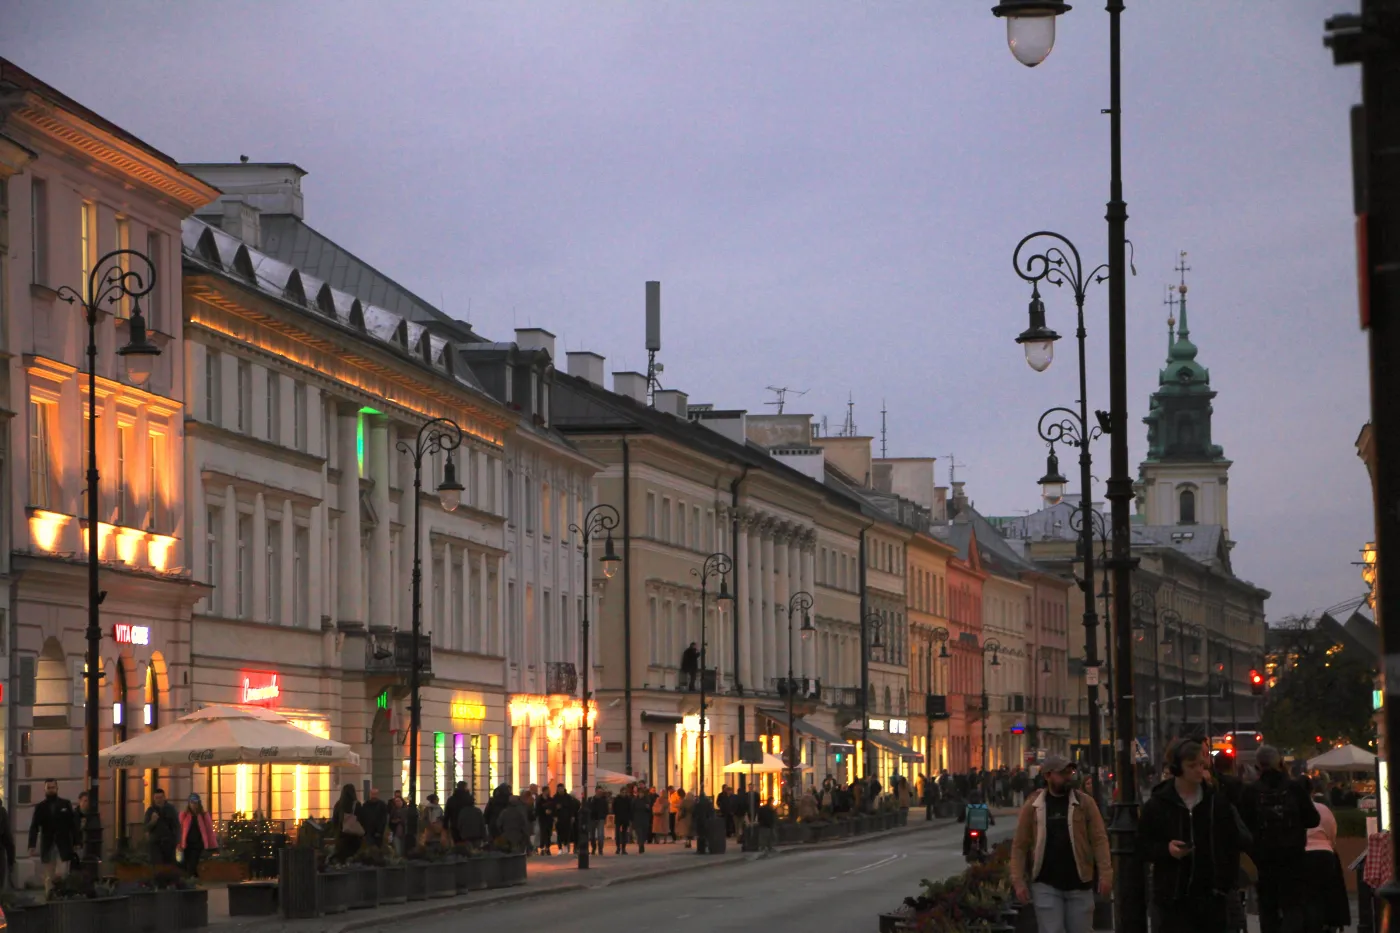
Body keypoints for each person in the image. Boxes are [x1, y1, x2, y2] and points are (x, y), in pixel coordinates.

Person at [1139, 737, 1248, 933]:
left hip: (1211, 897)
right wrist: (1166, 850)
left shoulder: (1216, 802)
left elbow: (1232, 842)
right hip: (1172, 898)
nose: (1199, 770)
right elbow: (1142, 845)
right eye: (1192, 766)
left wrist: (1225, 884)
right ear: (1176, 768)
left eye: (1201, 764)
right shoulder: (1158, 805)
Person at [1008, 755, 1112, 933]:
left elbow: (1099, 840)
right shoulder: (1033, 805)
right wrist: (1018, 881)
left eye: (1070, 772)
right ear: (1048, 776)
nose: (1068, 776)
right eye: (1062, 773)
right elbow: (1020, 845)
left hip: (1080, 882)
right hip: (1046, 883)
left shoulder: (1085, 803)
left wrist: (1105, 874)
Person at [1239, 745, 1320, 933]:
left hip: (1263, 860)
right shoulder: (1295, 788)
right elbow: (1313, 819)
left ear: (1258, 766)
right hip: (1293, 857)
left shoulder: (1251, 792)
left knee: (1268, 907)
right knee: (1293, 905)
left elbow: (1243, 826)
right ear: (1280, 763)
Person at [1303, 779, 1351, 933]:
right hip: (1325, 854)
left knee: (1308, 895)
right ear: (1312, 792)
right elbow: (1332, 832)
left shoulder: (1293, 808)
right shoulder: (1323, 809)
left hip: (1302, 855)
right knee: (1327, 892)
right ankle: (1329, 922)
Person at [27, 780, 76, 880]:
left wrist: (76, 841)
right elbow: (34, 826)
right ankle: (50, 894)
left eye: (53, 787)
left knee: (61, 873)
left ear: (57, 788)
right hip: (48, 845)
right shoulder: (40, 807)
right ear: (44, 789)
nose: (51, 790)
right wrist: (32, 844)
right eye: (48, 788)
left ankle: (61, 894)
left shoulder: (65, 804)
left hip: (63, 844)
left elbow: (73, 824)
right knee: (49, 876)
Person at [178, 794, 216, 877]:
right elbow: (179, 830)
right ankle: (194, 881)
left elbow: (209, 831)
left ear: (199, 803)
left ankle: (191, 880)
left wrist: (212, 845)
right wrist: (178, 843)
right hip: (186, 845)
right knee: (188, 865)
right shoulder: (184, 815)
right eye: (192, 803)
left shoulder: (203, 815)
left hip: (198, 844)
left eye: (195, 803)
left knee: (193, 863)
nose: (194, 805)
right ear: (189, 803)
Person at [144, 787, 180, 867]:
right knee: (158, 865)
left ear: (164, 797)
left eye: (160, 797)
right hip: (155, 844)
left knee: (169, 865)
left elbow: (176, 826)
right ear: (153, 798)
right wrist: (152, 822)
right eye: (156, 798)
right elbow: (146, 827)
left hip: (169, 843)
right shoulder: (150, 810)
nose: (158, 800)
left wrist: (177, 841)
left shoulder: (171, 809)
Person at [332, 784, 365, 861]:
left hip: (341, 837)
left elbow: (334, 820)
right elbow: (361, 820)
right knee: (353, 860)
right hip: (354, 837)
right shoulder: (356, 804)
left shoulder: (338, 805)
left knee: (341, 859)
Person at [588, 785, 610, 855]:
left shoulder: (604, 801)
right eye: (598, 791)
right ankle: (594, 848)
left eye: (601, 791)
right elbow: (588, 809)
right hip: (592, 819)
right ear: (595, 791)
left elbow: (606, 810)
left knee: (601, 835)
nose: (599, 793)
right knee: (592, 835)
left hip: (601, 819)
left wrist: (604, 817)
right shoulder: (591, 799)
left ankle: (600, 849)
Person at [631, 784, 653, 853]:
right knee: (639, 833)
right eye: (639, 793)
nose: (640, 794)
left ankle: (642, 844)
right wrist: (632, 820)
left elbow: (650, 810)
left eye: (642, 793)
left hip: (644, 819)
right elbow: (632, 810)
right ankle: (640, 846)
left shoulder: (647, 800)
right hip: (637, 819)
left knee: (644, 833)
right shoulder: (634, 800)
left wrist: (648, 808)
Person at [535, 786, 556, 855]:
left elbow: (553, 807)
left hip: (549, 819)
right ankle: (542, 848)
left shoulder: (550, 799)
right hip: (542, 818)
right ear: (544, 791)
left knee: (548, 833)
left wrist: (551, 812)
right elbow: (537, 809)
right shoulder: (539, 799)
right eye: (547, 790)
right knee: (542, 833)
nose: (548, 792)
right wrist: (544, 811)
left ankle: (547, 848)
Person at [612, 785, 633, 854]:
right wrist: (616, 814)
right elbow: (614, 808)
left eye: (625, 792)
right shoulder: (617, 799)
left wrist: (629, 818)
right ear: (620, 792)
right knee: (617, 834)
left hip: (625, 819)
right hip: (618, 818)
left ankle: (623, 848)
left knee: (624, 834)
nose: (624, 793)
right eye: (623, 792)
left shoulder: (628, 799)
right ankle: (618, 848)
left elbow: (630, 809)